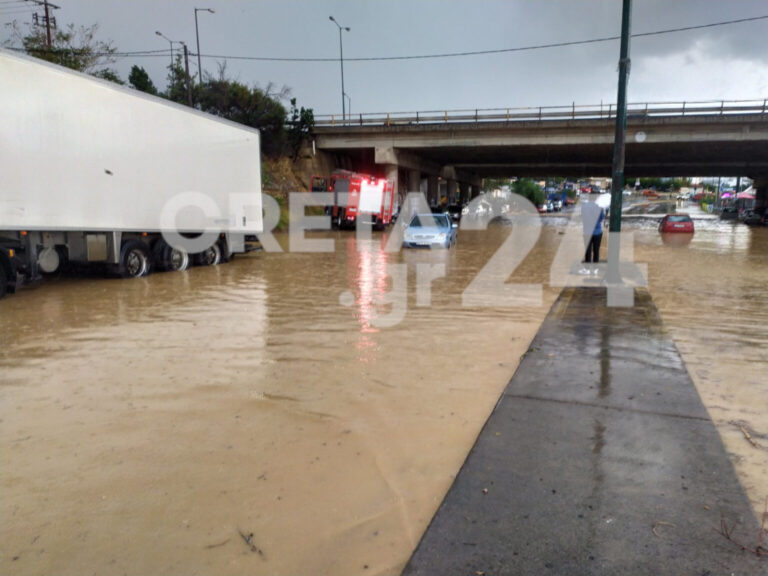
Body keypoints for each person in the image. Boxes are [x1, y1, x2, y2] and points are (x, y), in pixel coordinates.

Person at [581, 196, 605, 273]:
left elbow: (583, 217)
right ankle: (595, 269)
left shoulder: (584, 207)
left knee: (588, 251)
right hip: (598, 232)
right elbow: (601, 218)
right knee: (596, 250)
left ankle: (587, 269)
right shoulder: (600, 207)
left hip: (587, 232)